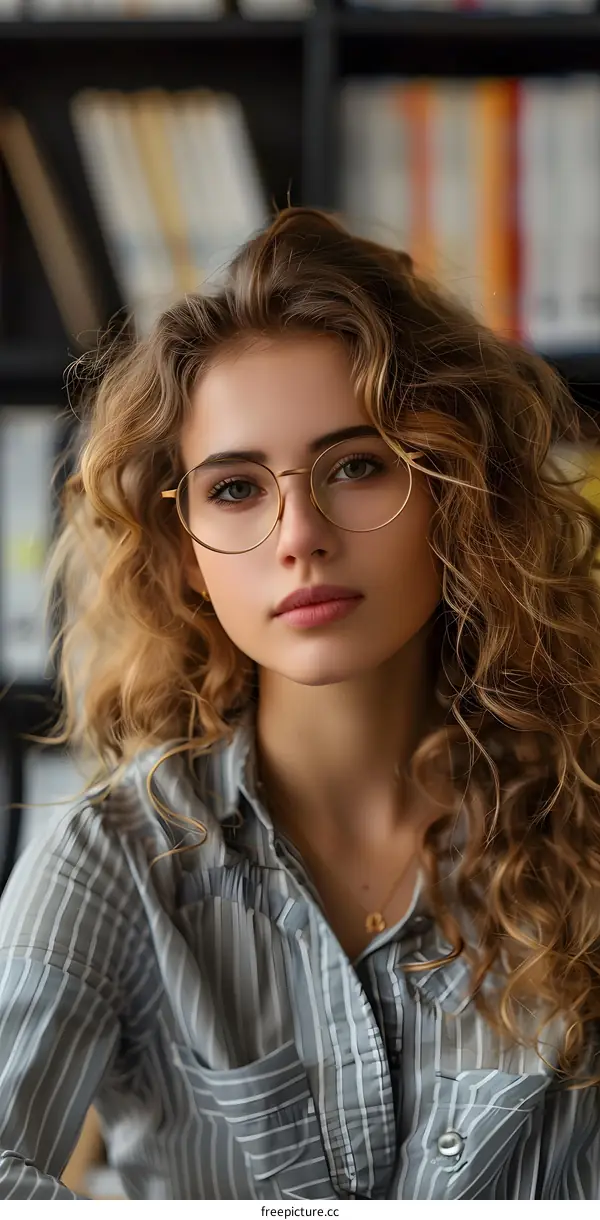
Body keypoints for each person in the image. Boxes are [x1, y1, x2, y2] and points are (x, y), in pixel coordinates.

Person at [1, 206, 600, 1202]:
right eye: (236, 488)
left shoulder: (585, 818)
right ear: (184, 551)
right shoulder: (115, 857)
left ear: (454, 490)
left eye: (356, 466)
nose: (299, 535)